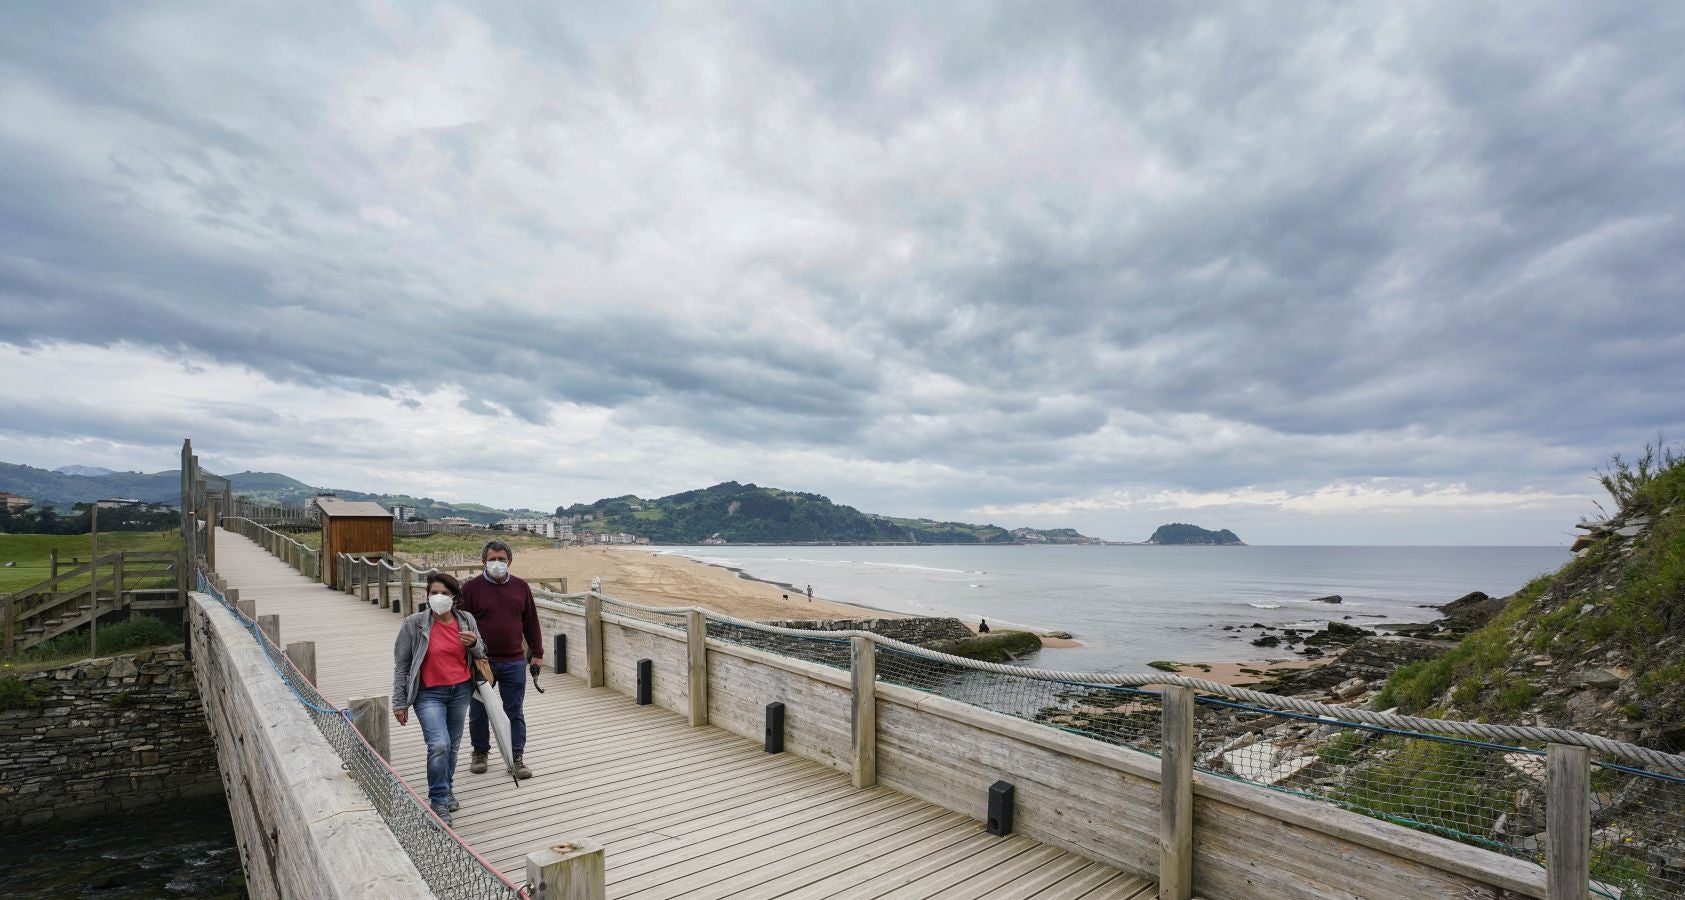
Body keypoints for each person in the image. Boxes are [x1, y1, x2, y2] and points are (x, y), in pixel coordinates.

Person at [392, 572, 485, 826]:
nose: (438, 597)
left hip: (460, 691)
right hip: (428, 693)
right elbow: (402, 665)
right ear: (427, 595)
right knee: (439, 744)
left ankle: (446, 789)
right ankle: (438, 801)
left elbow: (481, 652)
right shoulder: (413, 624)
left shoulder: (466, 620)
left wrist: (474, 642)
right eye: (434, 593)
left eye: (444, 593)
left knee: (453, 746)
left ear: (454, 597)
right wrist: (399, 702)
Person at [459, 539, 543, 780]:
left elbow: (531, 622)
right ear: (484, 561)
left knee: (514, 711)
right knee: (478, 710)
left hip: (514, 660)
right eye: (492, 559)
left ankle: (516, 757)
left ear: (510, 561)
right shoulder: (470, 589)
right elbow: (461, 624)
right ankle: (480, 752)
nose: (497, 563)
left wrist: (537, 654)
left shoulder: (521, 587)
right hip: (480, 661)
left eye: (502, 559)